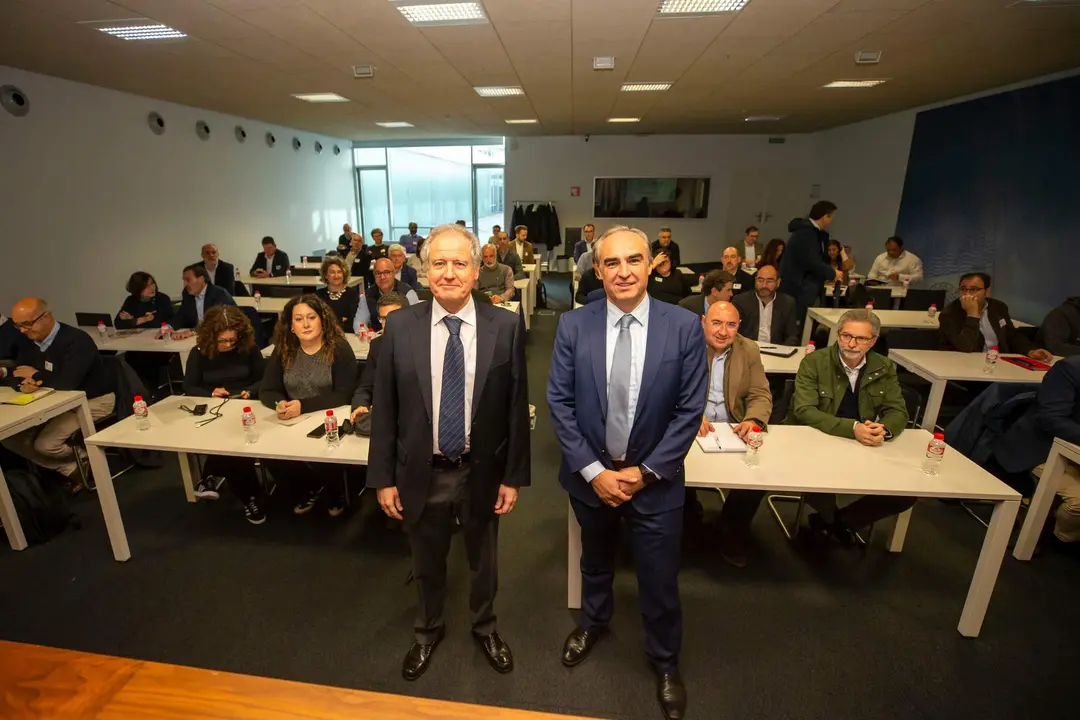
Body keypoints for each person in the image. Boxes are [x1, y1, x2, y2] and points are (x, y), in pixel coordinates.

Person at [547, 226, 706, 720]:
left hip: (655, 483)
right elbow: (559, 402)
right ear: (598, 270)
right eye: (611, 263)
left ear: (652, 263)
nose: (623, 271)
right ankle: (594, 623)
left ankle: (664, 661)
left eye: (633, 260)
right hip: (591, 477)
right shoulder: (574, 325)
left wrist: (648, 472)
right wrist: (595, 471)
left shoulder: (683, 326)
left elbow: (689, 409)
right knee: (594, 561)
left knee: (659, 579)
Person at [369, 223, 529, 681]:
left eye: (460, 263)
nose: (449, 272)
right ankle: (427, 630)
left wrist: (513, 476)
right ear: (424, 272)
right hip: (422, 469)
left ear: (477, 271)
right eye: (439, 263)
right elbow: (386, 411)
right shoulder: (399, 326)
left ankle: (485, 626)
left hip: (481, 469)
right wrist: (383, 477)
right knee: (427, 559)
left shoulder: (506, 326)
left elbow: (517, 406)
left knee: (484, 561)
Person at [788, 309, 914, 547]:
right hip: (818, 439)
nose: (852, 344)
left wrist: (883, 430)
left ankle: (840, 523)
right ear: (838, 334)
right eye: (846, 336)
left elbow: (898, 411)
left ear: (873, 341)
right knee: (819, 476)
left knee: (907, 491)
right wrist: (852, 427)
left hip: (864, 442)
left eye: (861, 339)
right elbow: (804, 410)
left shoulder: (884, 366)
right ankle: (830, 521)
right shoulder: (815, 362)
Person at [3, 298, 115, 491]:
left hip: (92, 401)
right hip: (52, 402)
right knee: (10, 439)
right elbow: (18, 372)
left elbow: (67, 383)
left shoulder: (76, 340)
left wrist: (36, 375)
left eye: (27, 324)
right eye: (18, 325)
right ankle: (73, 468)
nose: (22, 330)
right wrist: (23, 384)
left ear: (45, 317)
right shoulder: (28, 342)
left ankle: (88, 459)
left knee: (45, 445)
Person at [260, 295, 357, 517]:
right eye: (298, 319)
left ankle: (334, 491)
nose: (305, 324)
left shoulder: (339, 348)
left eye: (311, 317)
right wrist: (280, 403)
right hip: (292, 420)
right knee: (268, 454)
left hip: (330, 417)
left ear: (322, 320)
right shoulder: (284, 349)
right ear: (290, 325)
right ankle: (308, 488)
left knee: (324, 453)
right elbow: (267, 389)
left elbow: (344, 394)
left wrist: (302, 406)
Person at [695, 301, 773, 567]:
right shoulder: (686, 345)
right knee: (673, 472)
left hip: (733, 429)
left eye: (731, 325)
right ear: (703, 321)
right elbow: (665, 390)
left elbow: (760, 393)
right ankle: (690, 524)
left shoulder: (748, 349)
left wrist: (753, 419)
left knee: (756, 480)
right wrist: (689, 416)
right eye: (716, 323)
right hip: (694, 429)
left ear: (738, 327)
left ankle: (730, 531)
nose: (723, 331)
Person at [182, 306, 268, 522]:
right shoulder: (198, 353)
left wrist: (251, 391)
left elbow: (264, 380)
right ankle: (250, 497)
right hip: (214, 409)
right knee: (233, 448)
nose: (229, 344)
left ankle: (210, 475)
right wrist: (210, 392)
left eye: (233, 340)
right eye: (223, 341)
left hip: (245, 407)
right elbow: (189, 386)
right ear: (211, 336)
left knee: (236, 443)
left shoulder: (249, 349)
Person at [938, 272, 1053, 360]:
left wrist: (1030, 351)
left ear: (987, 292)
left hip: (999, 362)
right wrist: (972, 315)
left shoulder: (998, 307)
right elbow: (965, 347)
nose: (967, 294)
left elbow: (1012, 336)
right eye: (963, 289)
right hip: (966, 366)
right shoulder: (949, 314)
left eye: (974, 290)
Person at [778, 201, 844, 325]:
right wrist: (832, 273)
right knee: (797, 323)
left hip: (801, 285)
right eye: (831, 217)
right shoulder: (807, 233)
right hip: (800, 288)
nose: (831, 222)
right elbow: (811, 261)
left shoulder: (807, 232)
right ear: (825, 217)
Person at [349, 293, 406, 418]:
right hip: (386, 417)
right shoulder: (377, 345)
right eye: (384, 319)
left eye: (394, 317)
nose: (388, 324)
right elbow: (366, 386)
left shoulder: (425, 342)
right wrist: (360, 405)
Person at [732, 264, 799, 346]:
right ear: (755, 280)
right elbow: (734, 333)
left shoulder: (787, 303)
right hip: (749, 350)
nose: (764, 285)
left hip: (776, 351)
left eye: (769, 281)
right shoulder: (741, 301)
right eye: (760, 280)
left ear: (778, 283)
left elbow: (792, 335)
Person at [166, 264, 237, 338]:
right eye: (184, 280)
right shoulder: (187, 294)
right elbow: (181, 315)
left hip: (221, 337)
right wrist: (168, 327)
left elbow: (217, 322)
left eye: (188, 280)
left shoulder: (219, 294)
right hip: (197, 338)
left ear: (201, 279)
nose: (185, 284)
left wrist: (193, 331)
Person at [359, 258, 419, 332]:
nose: (382, 277)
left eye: (386, 272)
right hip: (375, 336)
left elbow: (416, 322)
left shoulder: (408, 293)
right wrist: (362, 330)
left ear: (394, 273)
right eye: (378, 273)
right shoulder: (368, 294)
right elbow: (360, 320)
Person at [314, 256, 362, 333]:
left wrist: (329, 321)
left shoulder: (352, 294)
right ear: (326, 275)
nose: (336, 276)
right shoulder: (319, 295)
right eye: (332, 272)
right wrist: (341, 320)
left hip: (347, 335)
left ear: (344, 274)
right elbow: (317, 321)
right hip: (324, 336)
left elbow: (353, 323)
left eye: (339, 272)